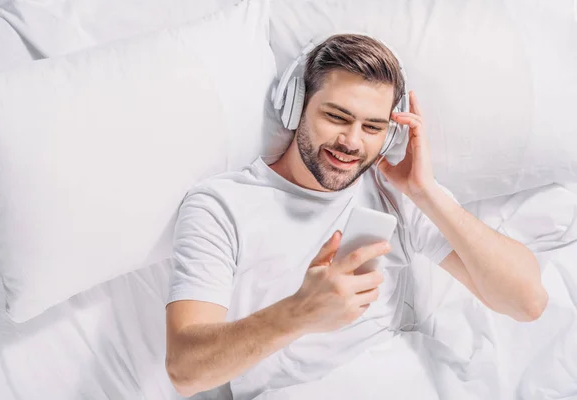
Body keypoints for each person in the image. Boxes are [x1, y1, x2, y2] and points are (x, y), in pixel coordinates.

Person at [164, 34, 548, 399]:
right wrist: (300, 313)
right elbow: (185, 371)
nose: (352, 141)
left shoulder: (397, 194)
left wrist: (427, 192)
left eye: (373, 127)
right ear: (296, 105)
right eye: (336, 116)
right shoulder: (221, 205)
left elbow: (527, 302)